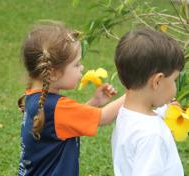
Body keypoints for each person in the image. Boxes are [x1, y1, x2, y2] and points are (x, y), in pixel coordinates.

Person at [17, 21, 125, 176]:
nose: (82, 68)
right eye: (76, 64)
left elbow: (62, 125)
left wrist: (94, 102)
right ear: (53, 73)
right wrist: (137, 92)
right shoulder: (55, 107)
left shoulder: (34, 97)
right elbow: (104, 117)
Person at [111, 28, 185, 176]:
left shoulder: (127, 113)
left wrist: (167, 111)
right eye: (174, 80)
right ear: (157, 81)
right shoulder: (152, 135)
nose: (175, 86)